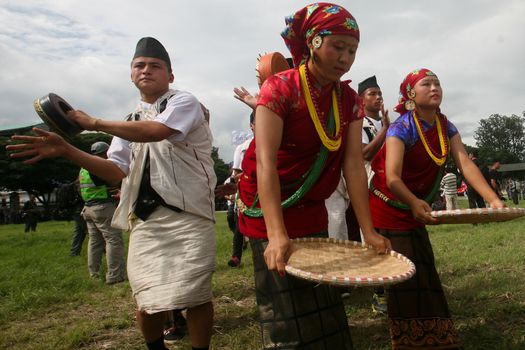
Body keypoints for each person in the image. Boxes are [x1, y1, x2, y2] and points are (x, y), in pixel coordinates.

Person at [8, 37, 216, 350]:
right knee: (146, 298)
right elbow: (114, 171)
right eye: (139, 66)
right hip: (146, 221)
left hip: (190, 216)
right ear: (131, 74)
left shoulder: (184, 102)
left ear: (170, 76)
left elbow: (156, 131)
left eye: (155, 66)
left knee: (196, 294)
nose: (146, 70)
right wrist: (67, 149)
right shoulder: (128, 122)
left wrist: (93, 123)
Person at [236, 4, 391, 348]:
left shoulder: (348, 97)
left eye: (352, 50)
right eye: (337, 46)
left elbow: (353, 164)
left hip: (311, 204)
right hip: (269, 204)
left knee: (322, 293)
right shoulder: (279, 88)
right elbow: (265, 162)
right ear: (314, 42)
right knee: (285, 302)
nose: (345, 58)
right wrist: (277, 235)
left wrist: (368, 231)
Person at [368, 68, 504, 349]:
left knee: (424, 267)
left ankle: (436, 335)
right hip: (389, 205)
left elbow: (464, 162)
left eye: (438, 83)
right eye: (426, 84)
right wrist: (413, 202)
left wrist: (493, 199)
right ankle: (409, 341)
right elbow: (392, 177)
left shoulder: (445, 126)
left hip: (415, 206)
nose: (434, 88)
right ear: (410, 95)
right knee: (404, 273)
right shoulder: (401, 127)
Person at [358, 75, 391, 315]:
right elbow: (365, 154)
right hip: (369, 187)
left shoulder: (388, 122)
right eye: (372, 93)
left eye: (379, 93)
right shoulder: (359, 124)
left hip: (390, 187)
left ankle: (393, 284)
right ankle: (378, 292)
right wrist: (386, 130)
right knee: (373, 237)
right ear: (361, 100)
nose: (378, 97)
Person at [79, 141, 126, 283]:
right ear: (105, 152)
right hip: (103, 208)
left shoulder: (84, 167)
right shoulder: (98, 166)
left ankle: (94, 275)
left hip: (88, 208)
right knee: (113, 240)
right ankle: (115, 275)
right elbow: (111, 181)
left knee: (95, 242)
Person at [227, 111, 255, 267]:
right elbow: (236, 174)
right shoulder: (242, 148)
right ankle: (236, 256)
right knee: (239, 225)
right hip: (246, 193)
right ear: (251, 126)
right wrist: (252, 174)